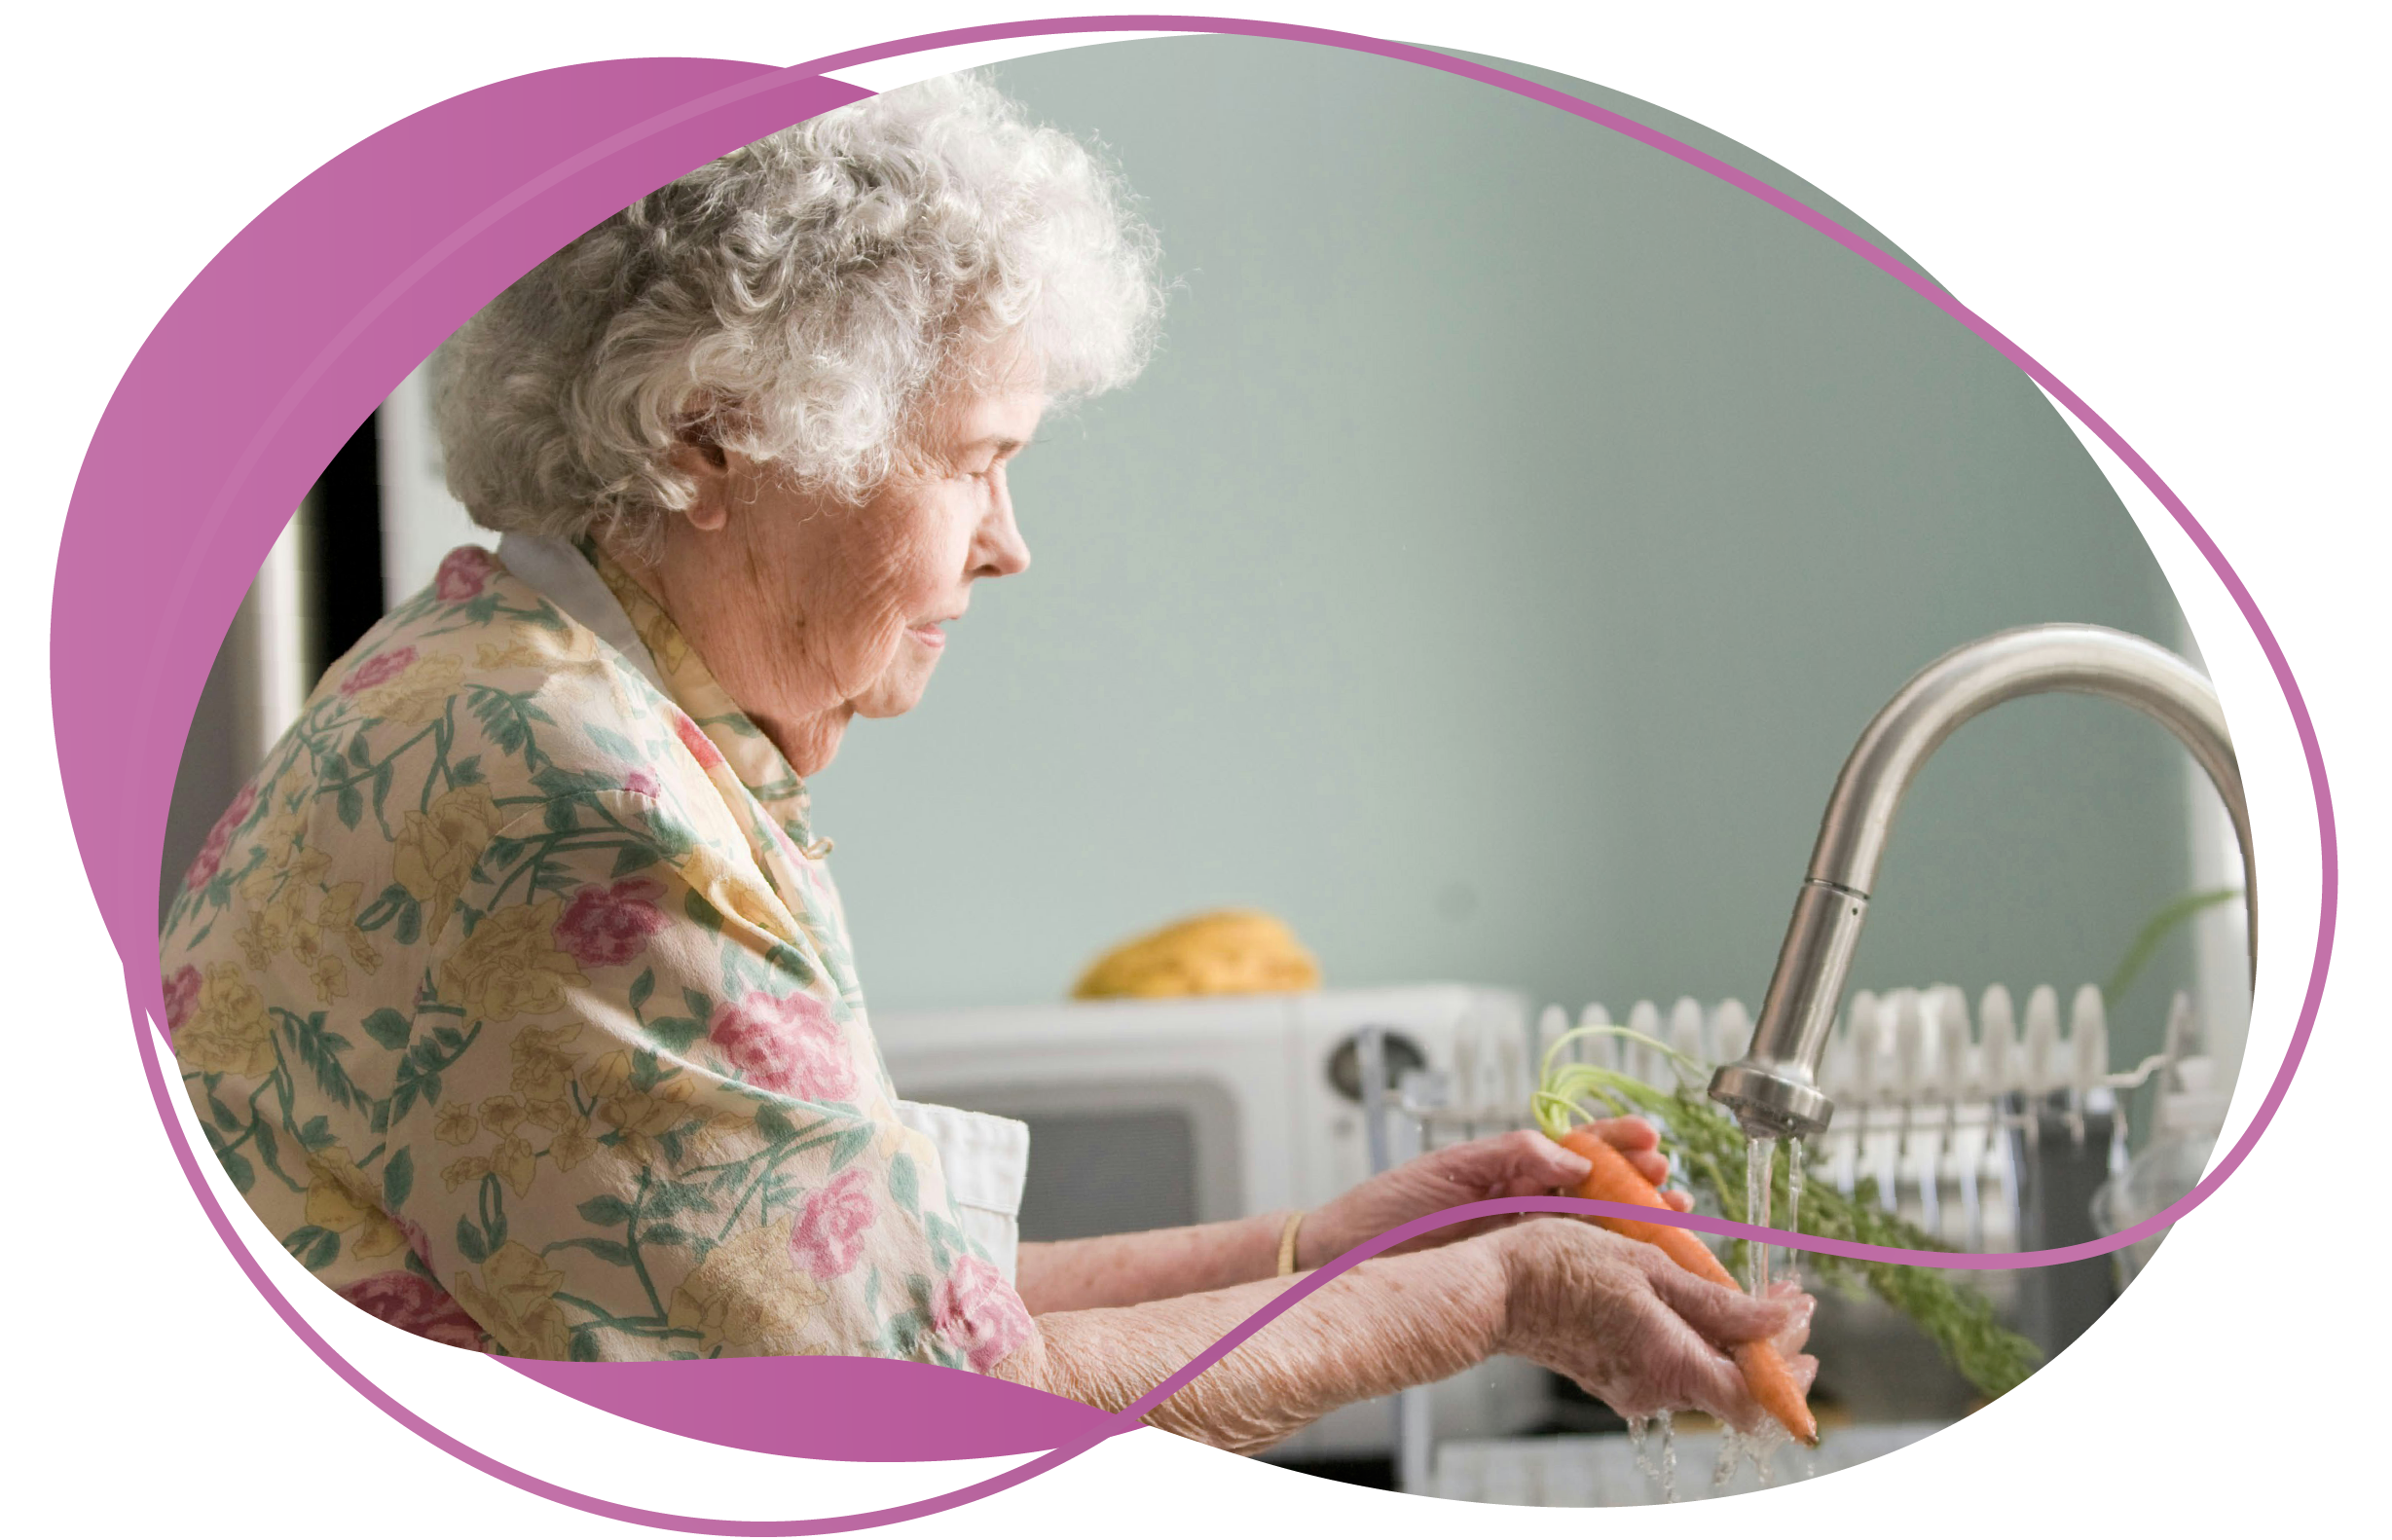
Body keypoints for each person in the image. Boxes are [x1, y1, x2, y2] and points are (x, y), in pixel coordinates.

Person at [158, 70, 1814, 1459]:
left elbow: (878, 1286)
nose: (1011, 544)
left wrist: (1340, 1243)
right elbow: (925, 1417)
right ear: (711, 439)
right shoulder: (579, 805)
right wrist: (1497, 1293)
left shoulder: (527, 694)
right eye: (975, 462)